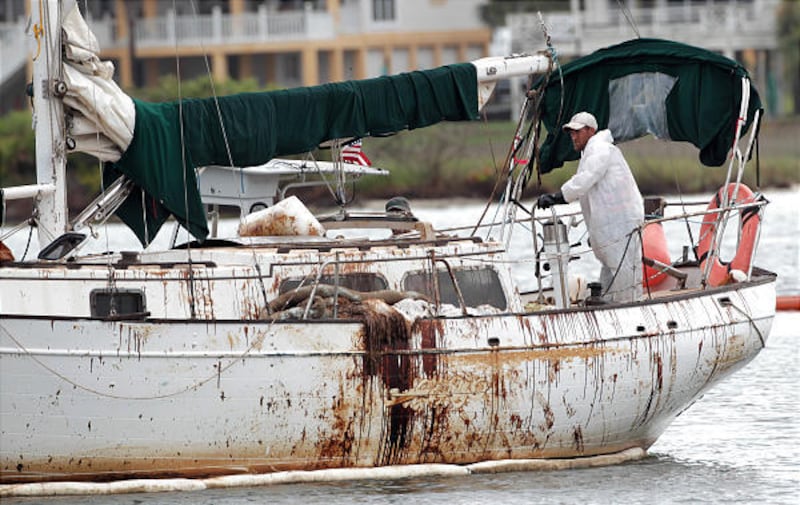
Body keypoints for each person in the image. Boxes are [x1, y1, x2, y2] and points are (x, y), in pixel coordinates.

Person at [537, 111, 644, 302]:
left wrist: (557, 197)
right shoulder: (591, 153)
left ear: (591, 130)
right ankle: (611, 304)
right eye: (571, 133)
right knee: (612, 268)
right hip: (612, 226)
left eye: (577, 131)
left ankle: (629, 305)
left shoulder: (601, 149)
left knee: (624, 268)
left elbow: (585, 180)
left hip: (621, 224)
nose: (573, 136)